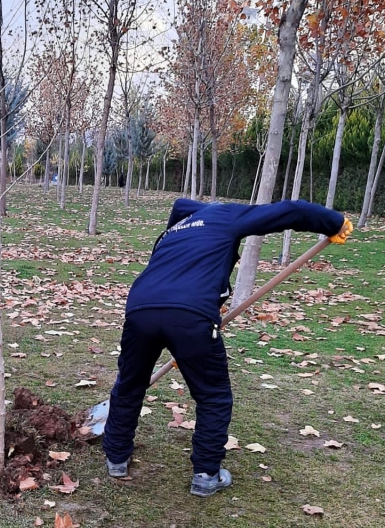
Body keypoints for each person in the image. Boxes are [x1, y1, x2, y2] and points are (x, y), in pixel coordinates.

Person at [102, 198, 352, 496]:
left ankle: (116, 458)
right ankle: (207, 474)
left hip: (140, 309)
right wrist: (334, 223)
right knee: (213, 396)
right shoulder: (224, 214)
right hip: (190, 316)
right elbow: (291, 211)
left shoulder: (174, 230)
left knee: (129, 384)